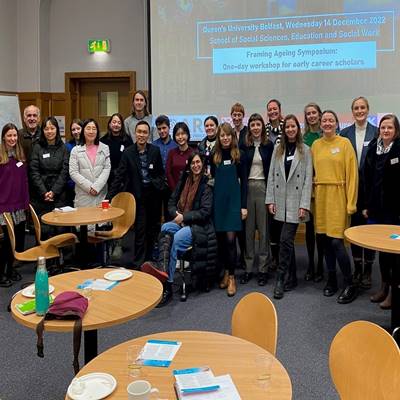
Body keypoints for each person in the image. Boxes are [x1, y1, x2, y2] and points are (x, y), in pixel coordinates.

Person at [141, 153, 217, 306]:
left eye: (198, 162)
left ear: (202, 164)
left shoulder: (207, 183)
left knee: (176, 239)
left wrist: (184, 217)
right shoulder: (184, 180)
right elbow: (171, 201)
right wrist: (175, 214)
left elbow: (205, 212)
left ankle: (167, 285)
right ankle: (163, 269)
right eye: (193, 163)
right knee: (165, 227)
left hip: (199, 226)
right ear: (189, 165)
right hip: (182, 220)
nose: (195, 165)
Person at [312, 110, 358, 304]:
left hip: (338, 197)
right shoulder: (315, 145)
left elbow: (353, 175)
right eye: (324, 120)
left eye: (331, 120)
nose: (327, 123)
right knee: (323, 241)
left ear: (337, 123)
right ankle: (331, 279)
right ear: (320, 124)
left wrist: (351, 203)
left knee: (337, 242)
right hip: (320, 197)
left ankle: (350, 283)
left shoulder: (345, 143)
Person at [266, 115, 313, 299]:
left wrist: (304, 205)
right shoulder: (278, 149)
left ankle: (280, 277)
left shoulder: (306, 151)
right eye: (288, 127)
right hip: (280, 201)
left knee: (285, 239)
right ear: (284, 130)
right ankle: (292, 277)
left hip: (296, 203)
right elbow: (271, 175)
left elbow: (308, 180)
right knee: (286, 241)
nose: (290, 130)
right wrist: (270, 200)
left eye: (293, 126)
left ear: (298, 129)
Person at [108, 121, 165, 268]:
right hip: (137, 198)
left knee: (153, 230)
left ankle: (150, 262)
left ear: (148, 134)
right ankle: (138, 263)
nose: (142, 135)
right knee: (140, 231)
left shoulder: (155, 151)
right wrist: (109, 198)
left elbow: (160, 174)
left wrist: (155, 183)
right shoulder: (128, 153)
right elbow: (119, 176)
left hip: (153, 197)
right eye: (139, 132)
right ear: (135, 133)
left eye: (145, 132)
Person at [362, 114, 400, 310]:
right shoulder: (372, 149)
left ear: (396, 131)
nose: (386, 131)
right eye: (383, 127)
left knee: (395, 255)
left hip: (394, 211)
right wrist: (367, 205)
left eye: (390, 128)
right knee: (383, 253)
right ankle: (384, 287)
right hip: (376, 208)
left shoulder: (398, 149)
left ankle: (394, 292)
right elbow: (368, 179)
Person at [340, 97, 378, 289]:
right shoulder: (344, 134)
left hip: (371, 192)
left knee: (369, 231)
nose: (359, 110)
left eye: (363, 107)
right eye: (356, 108)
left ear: (368, 110)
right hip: (351, 192)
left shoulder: (377, 132)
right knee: (355, 231)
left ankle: (368, 270)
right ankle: (357, 268)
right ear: (352, 111)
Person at [211, 122, 247, 297]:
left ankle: (232, 277)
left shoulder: (239, 156)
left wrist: (243, 206)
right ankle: (225, 271)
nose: (225, 138)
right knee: (221, 243)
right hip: (218, 205)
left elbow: (245, 183)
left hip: (233, 204)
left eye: (228, 135)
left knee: (231, 241)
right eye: (222, 135)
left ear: (233, 137)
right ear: (219, 138)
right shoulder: (214, 156)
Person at [241, 113, 274, 286]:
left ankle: (263, 269)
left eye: (258, 124)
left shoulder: (269, 145)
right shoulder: (244, 146)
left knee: (263, 231)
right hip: (248, 189)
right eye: (252, 124)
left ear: (262, 126)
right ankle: (248, 268)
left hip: (263, 188)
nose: (255, 127)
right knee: (248, 232)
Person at [29, 117, 69, 238]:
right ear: (43, 130)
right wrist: (44, 192)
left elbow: (65, 171)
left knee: (61, 230)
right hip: (41, 196)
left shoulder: (63, 148)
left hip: (59, 195)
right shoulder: (37, 147)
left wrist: (54, 192)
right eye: (46, 128)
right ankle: (45, 256)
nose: (49, 131)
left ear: (57, 130)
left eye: (52, 128)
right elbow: (33, 171)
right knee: (44, 231)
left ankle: (61, 256)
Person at [0, 123, 29, 287]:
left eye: (14, 135)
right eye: (9, 135)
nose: (12, 138)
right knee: (5, 243)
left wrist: (26, 202)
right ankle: (1, 273)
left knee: (17, 241)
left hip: (19, 206)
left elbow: (24, 181)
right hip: (3, 207)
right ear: (4, 136)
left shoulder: (19, 155)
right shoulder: (0, 155)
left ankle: (10, 269)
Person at [302, 102, 325, 282]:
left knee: (322, 230)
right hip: (308, 190)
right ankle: (311, 263)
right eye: (308, 113)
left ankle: (321, 265)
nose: (311, 116)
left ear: (319, 114)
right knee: (310, 228)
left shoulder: (328, 135)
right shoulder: (303, 138)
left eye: (314, 113)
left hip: (324, 188)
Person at [69, 118, 111, 208]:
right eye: (88, 128)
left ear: (97, 131)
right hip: (83, 196)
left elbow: (107, 168)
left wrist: (96, 187)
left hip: (101, 195)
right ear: (83, 131)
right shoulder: (75, 150)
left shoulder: (105, 148)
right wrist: (89, 188)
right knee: (84, 220)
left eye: (94, 128)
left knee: (101, 220)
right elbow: (73, 172)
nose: (91, 131)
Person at [265, 99, 285, 271]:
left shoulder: (288, 127)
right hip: (267, 180)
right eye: (270, 109)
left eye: (275, 109)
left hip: (284, 181)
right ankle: (275, 257)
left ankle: (283, 258)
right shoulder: (263, 129)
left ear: (280, 110)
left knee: (281, 221)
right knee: (271, 222)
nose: (272, 112)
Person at [153, 115, 178, 221]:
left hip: (171, 184)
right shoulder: (153, 145)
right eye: (159, 129)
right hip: (157, 185)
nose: (162, 131)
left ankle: (168, 236)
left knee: (170, 213)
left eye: (164, 128)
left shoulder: (176, 145)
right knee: (155, 212)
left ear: (169, 127)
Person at [100, 113, 133, 189]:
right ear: (109, 124)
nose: (116, 125)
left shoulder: (128, 140)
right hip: (107, 178)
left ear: (122, 126)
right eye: (114, 122)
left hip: (124, 179)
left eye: (119, 123)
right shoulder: (102, 141)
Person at [166, 122, 194, 192]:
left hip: (190, 191)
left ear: (187, 135)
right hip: (174, 191)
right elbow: (168, 173)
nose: (180, 137)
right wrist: (175, 190)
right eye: (177, 134)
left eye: (183, 134)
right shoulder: (171, 153)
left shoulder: (194, 153)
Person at [65, 119, 82, 206]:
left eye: (78, 128)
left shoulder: (89, 144)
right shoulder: (67, 146)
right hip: (71, 186)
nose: (76, 132)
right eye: (73, 129)